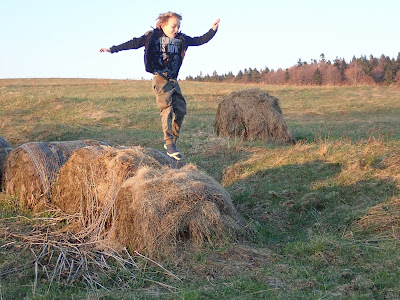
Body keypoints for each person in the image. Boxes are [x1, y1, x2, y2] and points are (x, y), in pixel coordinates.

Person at [100, 12, 220, 161]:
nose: (176, 29)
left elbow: (199, 40)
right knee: (167, 109)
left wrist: (213, 30)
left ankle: (173, 142)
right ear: (163, 25)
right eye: (173, 26)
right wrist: (111, 49)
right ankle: (169, 143)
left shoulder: (182, 39)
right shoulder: (152, 37)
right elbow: (132, 43)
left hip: (173, 80)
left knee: (181, 110)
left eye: (178, 27)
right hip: (160, 78)